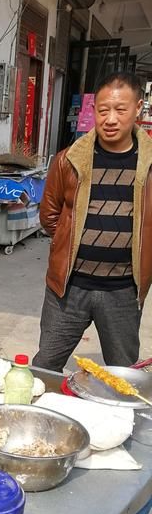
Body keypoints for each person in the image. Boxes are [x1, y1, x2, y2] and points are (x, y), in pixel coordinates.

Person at [33, 72, 152, 372]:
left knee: (123, 375)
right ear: (94, 111)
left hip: (124, 291)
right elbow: (49, 216)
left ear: (138, 108)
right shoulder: (68, 160)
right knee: (45, 365)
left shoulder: (149, 166)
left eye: (120, 110)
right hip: (68, 289)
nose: (110, 119)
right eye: (103, 110)